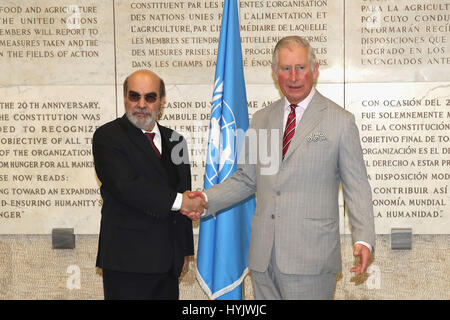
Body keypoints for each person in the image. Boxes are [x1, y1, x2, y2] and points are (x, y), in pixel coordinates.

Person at [184, 36, 375, 300]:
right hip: (263, 259)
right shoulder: (261, 119)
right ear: (275, 73)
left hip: (312, 259)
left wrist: (363, 238)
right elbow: (246, 180)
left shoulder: (340, 122)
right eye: (286, 69)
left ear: (315, 70)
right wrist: (205, 199)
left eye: (301, 68)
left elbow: (358, 187)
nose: (294, 77)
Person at [93, 70, 204, 300]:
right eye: (134, 96)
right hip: (127, 262)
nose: (141, 104)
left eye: (150, 97)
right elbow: (128, 187)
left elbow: (184, 188)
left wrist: (184, 250)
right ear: (125, 98)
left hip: (168, 262)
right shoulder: (107, 136)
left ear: (161, 102)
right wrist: (182, 201)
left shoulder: (176, 141)